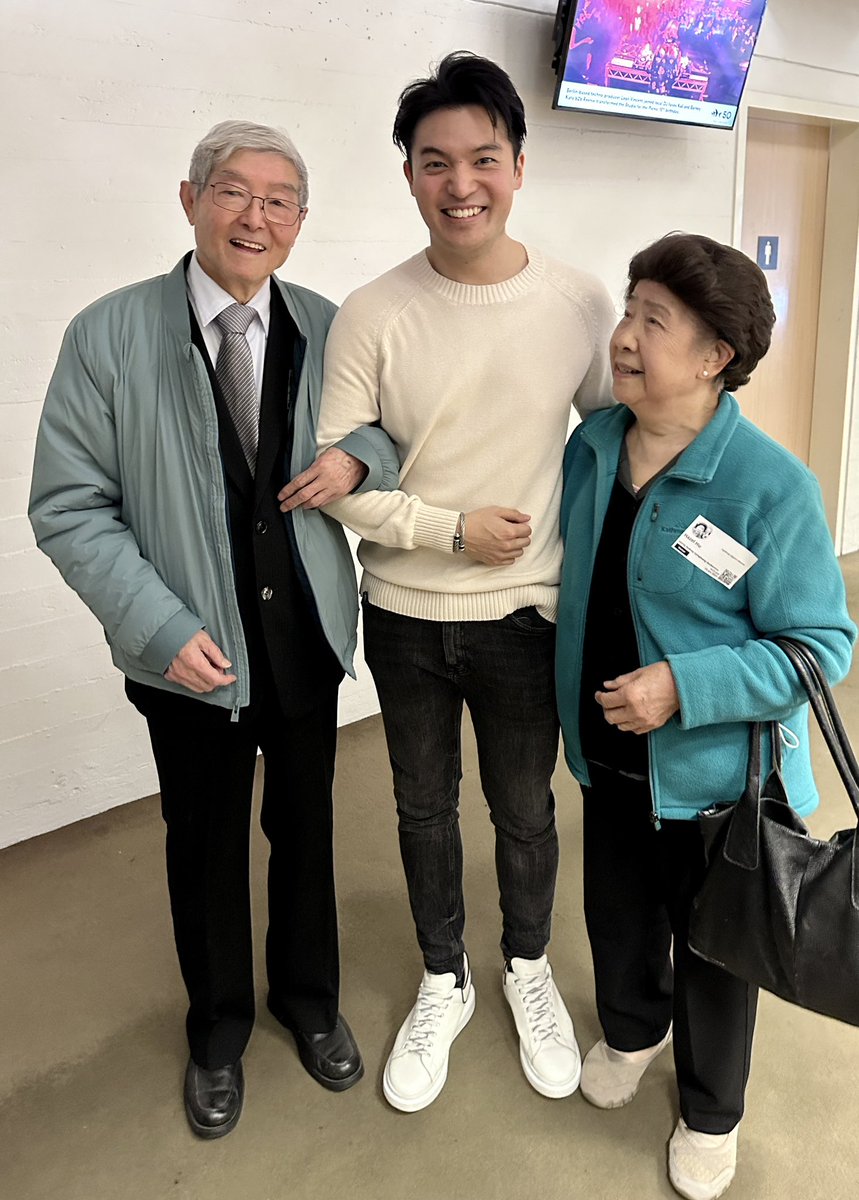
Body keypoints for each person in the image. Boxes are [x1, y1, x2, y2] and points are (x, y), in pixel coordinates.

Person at [28, 120, 399, 1139]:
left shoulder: (331, 327)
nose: (256, 215)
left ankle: (310, 1003)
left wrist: (364, 454)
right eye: (234, 191)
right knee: (201, 847)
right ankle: (219, 1033)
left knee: (308, 829)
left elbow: (392, 428)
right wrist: (156, 625)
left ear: (300, 222)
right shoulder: (108, 334)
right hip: (184, 657)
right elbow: (67, 506)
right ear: (188, 199)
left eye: (279, 199)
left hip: (306, 640)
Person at [280, 51, 616, 1112]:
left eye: (482, 158)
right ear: (409, 175)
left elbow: (614, 449)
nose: (459, 182)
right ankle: (444, 977)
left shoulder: (576, 300)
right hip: (407, 618)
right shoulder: (372, 313)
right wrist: (448, 530)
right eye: (434, 162)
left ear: (518, 164)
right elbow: (331, 474)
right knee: (421, 809)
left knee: (525, 811)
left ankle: (525, 968)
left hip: (527, 615)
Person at [556, 232, 856, 1200]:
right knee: (618, 912)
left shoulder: (768, 486)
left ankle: (711, 1110)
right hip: (608, 748)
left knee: (719, 946)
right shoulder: (595, 444)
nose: (626, 336)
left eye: (654, 320)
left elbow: (820, 647)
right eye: (628, 309)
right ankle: (634, 1031)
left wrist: (684, 685)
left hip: (724, 781)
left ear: (713, 355)